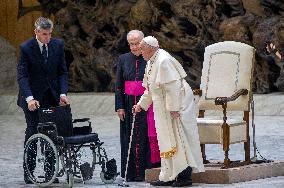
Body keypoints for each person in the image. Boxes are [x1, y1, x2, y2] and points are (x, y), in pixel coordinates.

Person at [133, 36, 205, 187]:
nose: (140, 52)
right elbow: (150, 89)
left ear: (151, 48)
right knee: (167, 141)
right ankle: (168, 176)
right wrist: (140, 104)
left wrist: (173, 109)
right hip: (163, 105)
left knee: (179, 139)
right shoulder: (151, 62)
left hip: (176, 106)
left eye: (142, 49)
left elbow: (173, 87)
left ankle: (184, 177)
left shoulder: (163, 60)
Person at [17, 17, 69, 184]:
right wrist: (30, 98)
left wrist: (62, 93)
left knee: (51, 133)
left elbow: (62, 71)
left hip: (51, 96)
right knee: (33, 131)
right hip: (31, 97)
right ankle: (29, 172)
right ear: (36, 32)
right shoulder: (26, 48)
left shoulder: (58, 45)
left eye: (50, 34)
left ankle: (50, 173)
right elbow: (23, 76)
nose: (48, 38)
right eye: (44, 34)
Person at [115, 30, 160, 182]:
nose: (134, 47)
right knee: (129, 138)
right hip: (128, 104)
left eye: (137, 44)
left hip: (147, 104)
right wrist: (119, 106)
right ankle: (131, 173)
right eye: (131, 44)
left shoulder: (150, 57)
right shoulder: (123, 59)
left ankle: (147, 171)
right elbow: (119, 86)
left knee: (147, 137)